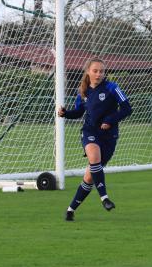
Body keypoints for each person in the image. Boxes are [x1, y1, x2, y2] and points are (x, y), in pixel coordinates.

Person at [58, 57, 132, 221]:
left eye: (102, 71)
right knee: (94, 157)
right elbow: (78, 112)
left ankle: (70, 210)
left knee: (90, 177)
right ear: (88, 72)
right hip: (89, 131)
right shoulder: (83, 91)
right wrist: (65, 114)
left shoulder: (112, 87)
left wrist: (110, 121)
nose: (99, 74)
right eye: (95, 71)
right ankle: (104, 198)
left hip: (109, 136)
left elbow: (127, 108)